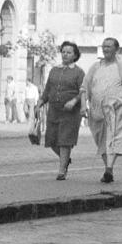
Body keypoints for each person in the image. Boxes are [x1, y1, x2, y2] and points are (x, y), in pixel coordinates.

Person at [83, 36, 122, 184]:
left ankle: (109, 169)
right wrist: (84, 106)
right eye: (104, 46)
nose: (106, 49)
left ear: (117, 49)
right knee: (102, 141)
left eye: (109, 46)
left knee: (114, 139)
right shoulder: (95, 67)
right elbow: (84, 88)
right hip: (98, 112)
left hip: (118, 110)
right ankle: (108, 167)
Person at [39, 42, 86, 180]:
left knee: (65, 140)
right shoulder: (54, 70)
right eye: (63, 52)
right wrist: (40, 102)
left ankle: (62, 170)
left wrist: (74, 101)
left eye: (69, 52)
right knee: (52, 140)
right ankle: (65, 160)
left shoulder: (78, 72)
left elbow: (83, 91)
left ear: (75, 55)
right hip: (54, 110)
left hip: (70, 112)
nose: (65, 54)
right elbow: (48, 89)